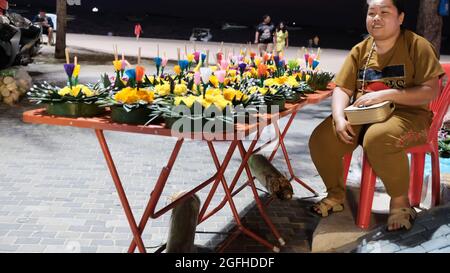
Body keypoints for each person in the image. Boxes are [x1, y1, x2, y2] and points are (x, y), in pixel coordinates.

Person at [308, 0, 445, 231]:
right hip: (364, 116)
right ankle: (335, 195)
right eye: (372, 13)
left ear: (400, 17)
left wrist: (389, 95)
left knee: (378, 138)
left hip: (409, 116)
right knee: (322, 138)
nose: (377, 18)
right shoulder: (361, 50)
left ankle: (401, 204)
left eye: (384, 12)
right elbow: (343, 88)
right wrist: (340, 118)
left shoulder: (417, 46)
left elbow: (430, 90)